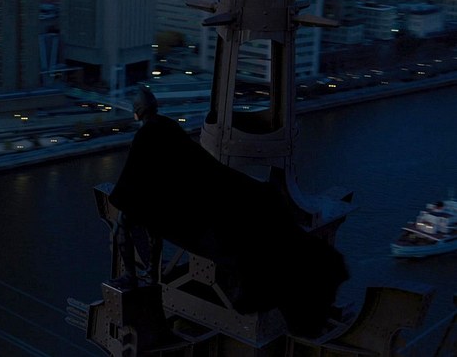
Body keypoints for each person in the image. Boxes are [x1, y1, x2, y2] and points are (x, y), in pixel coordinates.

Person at [107, 85, 349, 337]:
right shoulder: (168, 125)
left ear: (137, 111)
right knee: (150, 225)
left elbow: (132, 178)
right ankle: (150, 273)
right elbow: (192, 161)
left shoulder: (145, 134)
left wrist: (123, 200)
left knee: (122, 224)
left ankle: (132, 277)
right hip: (189, 198)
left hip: (166, 205)